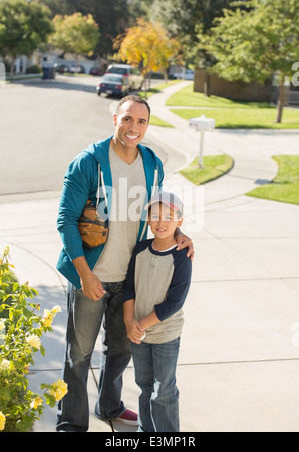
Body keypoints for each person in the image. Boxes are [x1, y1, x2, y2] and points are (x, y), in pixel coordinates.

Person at [55, 95, 194, 432]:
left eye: (142, 121)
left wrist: (180, 234)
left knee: (120, 349)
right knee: (80, 354)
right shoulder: (88, 162)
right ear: (115, 119)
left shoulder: (152, 163)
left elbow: (158, 212)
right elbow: (66, 220)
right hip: (93, 274)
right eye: (128, 119)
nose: (134, 127)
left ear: (147, 126)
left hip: (131, 278)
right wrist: (85, 275)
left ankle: (110, 405)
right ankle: (71, 423)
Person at [123, 191, 192, 432]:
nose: (161, 222)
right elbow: (129, 287)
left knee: (164, 390)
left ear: (179, 222)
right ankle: (147, 429)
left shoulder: (183, 255)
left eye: (168, 216)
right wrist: (129, 322)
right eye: (155, 216)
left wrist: (141, 324)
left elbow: (174, 301)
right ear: (148, 220)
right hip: (138, 334)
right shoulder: (140, 249)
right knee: (143, 385)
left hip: (165, 334)